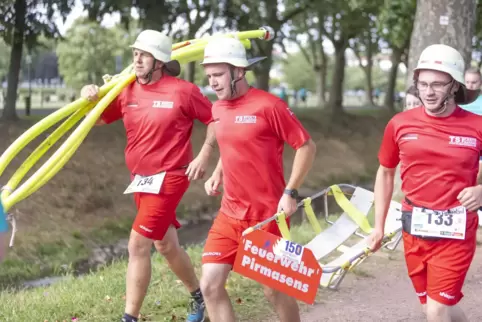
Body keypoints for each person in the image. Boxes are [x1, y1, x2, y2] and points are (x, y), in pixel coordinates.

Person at [80, 29, 215, 322]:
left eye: (143, 55)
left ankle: (130, 317)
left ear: (160, 61)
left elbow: (216, 119)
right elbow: (99, 120)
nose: (137, 59)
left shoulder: (183, 91)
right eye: (135, 54)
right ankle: (200, 297)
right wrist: (89, 96)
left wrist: (204, 153)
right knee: (165, 244)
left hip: (171, 177)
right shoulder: (126, 89)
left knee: (137, 244)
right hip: (140, 179)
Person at [198, 37, 317, 322]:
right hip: (230, 215)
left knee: (274, 292)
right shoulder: (218, 109)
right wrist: (217, 172)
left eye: (218, 75)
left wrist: (291, 191)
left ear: (238, 71)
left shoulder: (269, 106)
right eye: (209, 76)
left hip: (267, 218)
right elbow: (232, 147)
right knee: (210, 286)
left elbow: (306, 146)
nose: (212, 83)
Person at [367, 43, 482, 322]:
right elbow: (385, 172)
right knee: (435, 306)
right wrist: (378, 226)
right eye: (422, 84)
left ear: (454, 86)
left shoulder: (477, 125)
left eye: (438, 85)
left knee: (437, 309)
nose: (428, 93)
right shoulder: (399, 124)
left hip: (457, 228)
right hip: (414, 227)